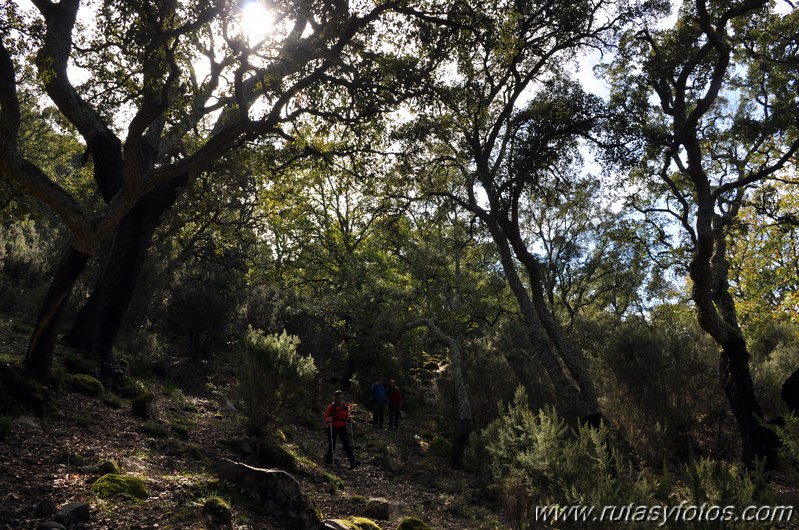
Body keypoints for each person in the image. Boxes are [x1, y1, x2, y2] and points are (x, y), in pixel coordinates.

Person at [324, 390, 360, 468]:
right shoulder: (331, 406)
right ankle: (329, 460)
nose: (340, 399)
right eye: (339, 397)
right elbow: (326, 417)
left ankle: (352, 461)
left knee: (346, 444)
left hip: (342, 427)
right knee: (332, 444)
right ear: (336, 398)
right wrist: (328, 420)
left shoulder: (345, 406)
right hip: (332, 427)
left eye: (342, 397)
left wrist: (349, 419)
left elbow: (347, 415)